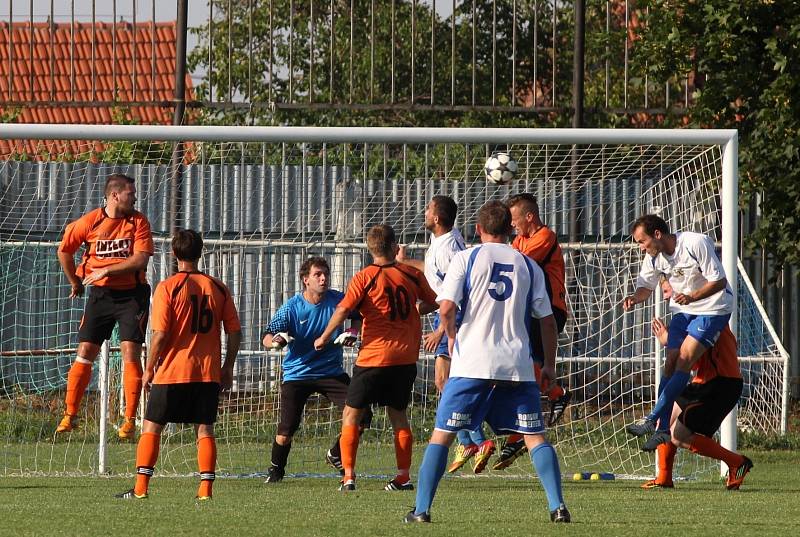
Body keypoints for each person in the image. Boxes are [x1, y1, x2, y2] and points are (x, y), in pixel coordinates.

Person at [404, 201, 570, 524]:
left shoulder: (466, 258)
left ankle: (422, 510)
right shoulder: (527, 265)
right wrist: (549, 365)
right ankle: (558, 507)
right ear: (510, 229)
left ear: (478, 230)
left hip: (472, 364)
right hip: (518, 366)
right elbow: (547, 322)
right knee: (535, 438)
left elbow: (446, 308)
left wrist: (451, 340)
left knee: (442, 435)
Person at [115, 229, 241, 500]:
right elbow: (234, 331)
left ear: (174, 254)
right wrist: (227, 367)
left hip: (172, 371)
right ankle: (205, 491)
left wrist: (148, 370)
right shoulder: (218, 287)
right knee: (204, 429)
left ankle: (140, 489)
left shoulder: (168, 287)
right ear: (201, 252)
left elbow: (159, 335)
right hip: (207, 373)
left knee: (152, 427)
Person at [315, 224, 439, 492]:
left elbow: (343, 310)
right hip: (405, 358)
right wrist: (417, 310)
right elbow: (435, 301)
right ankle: (403, 477)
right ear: (395, 246)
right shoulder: (411, 274)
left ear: (370, 249)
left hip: (373, 357)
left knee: (351, 415)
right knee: (399, 416)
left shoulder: (364, 277)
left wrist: (324, 337)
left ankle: (348, 477)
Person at [397, 195, 494, 475]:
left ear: (437, 218)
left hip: (457, 319)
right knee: (446, 382)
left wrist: (441, 329)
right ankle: (470, 440)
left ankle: (476, 439)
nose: (424, 212)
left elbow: (459, 291)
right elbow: (436, 276)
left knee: (446, 382)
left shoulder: (449, 247)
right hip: (452, 317)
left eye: (428, 209)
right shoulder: (442, 242)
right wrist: (405, 265)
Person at [623, 214, 734, 451]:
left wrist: (693, 296)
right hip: (685, 311)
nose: (640, 247)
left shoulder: (695, 243)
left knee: (684, 358)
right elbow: (645, 288)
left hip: (713, 308)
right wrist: (634, 297)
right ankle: (663, 429)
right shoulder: (653, 258)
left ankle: (652, 418)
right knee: (671, 360)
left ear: (657, 235)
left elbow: (720, 281)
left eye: (642, 242)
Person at [56, 173, 154, 440]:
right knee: (85, 350)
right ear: (114, 196)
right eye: (130, 194)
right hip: (100, 296)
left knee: (130, 352)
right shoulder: (90, 221)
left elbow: (140, 260)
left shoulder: (138, 221)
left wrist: (105, 271)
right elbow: (64, 250)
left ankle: (130, 420)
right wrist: (75, 281)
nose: (134, 198)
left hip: (132, 295)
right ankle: (70, 414)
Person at [261, 256, 371, 483]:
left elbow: (358, 317)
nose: (323, 278)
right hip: (297, 374)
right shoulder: (291, 307)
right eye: (317, 275)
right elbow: (267, 336)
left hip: (330, 372)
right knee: (286, 430)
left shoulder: (338, 299)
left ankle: (336, 454)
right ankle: (276, 470)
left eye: (326, 274)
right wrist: (276, 342)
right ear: (305, 280)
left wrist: (352, 333)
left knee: (363, 414)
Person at [493, 193, 572, 470]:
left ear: (529, 216)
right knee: (525, 367)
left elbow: (517, 263)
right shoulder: (519, 239)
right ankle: (555, 395)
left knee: (527, 366)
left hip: (549, 311)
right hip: (532, 312)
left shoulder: (545, 236)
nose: (512, 226)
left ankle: (518, 435)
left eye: (515, 220)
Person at [643, 317, 753, 490]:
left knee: (678, 435)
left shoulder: (707, 317)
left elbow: (688, 360)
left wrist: (669, 342)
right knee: (664, 419)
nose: (667, 295)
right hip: (703, 382)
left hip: (721, 384)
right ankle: (664, 478)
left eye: (667, 290)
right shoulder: (694, 316)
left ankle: (736, 462)